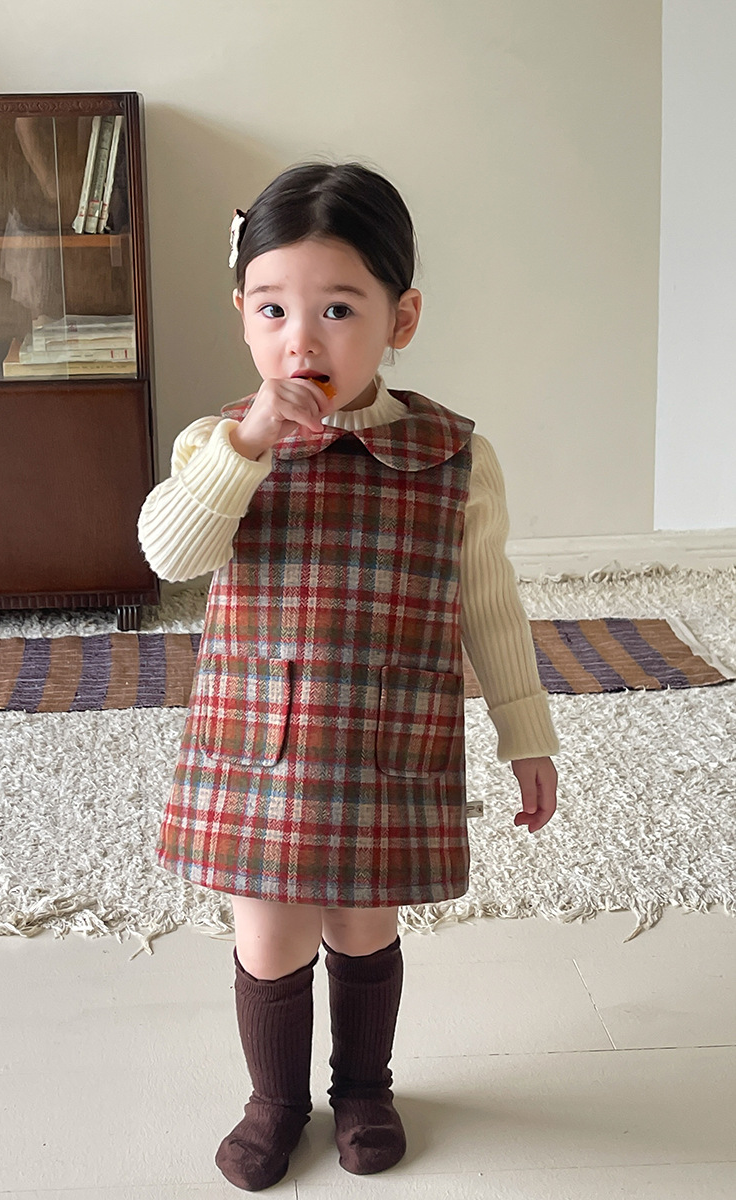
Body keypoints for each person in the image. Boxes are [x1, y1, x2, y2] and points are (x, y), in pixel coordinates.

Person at [137, 162, 559, 1192]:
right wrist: (244, 448)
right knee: (269, 931)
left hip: (382, 738)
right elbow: (170, 553)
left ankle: (365, 1087)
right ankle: (274, 1101)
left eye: (337, 309)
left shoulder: (453, 457)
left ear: (400, 317)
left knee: (365, 924)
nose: (302, 341)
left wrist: (526, 732)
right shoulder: (219, 444)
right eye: (273, 309)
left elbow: (488, 603)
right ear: (242, 315)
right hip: (261, 746)